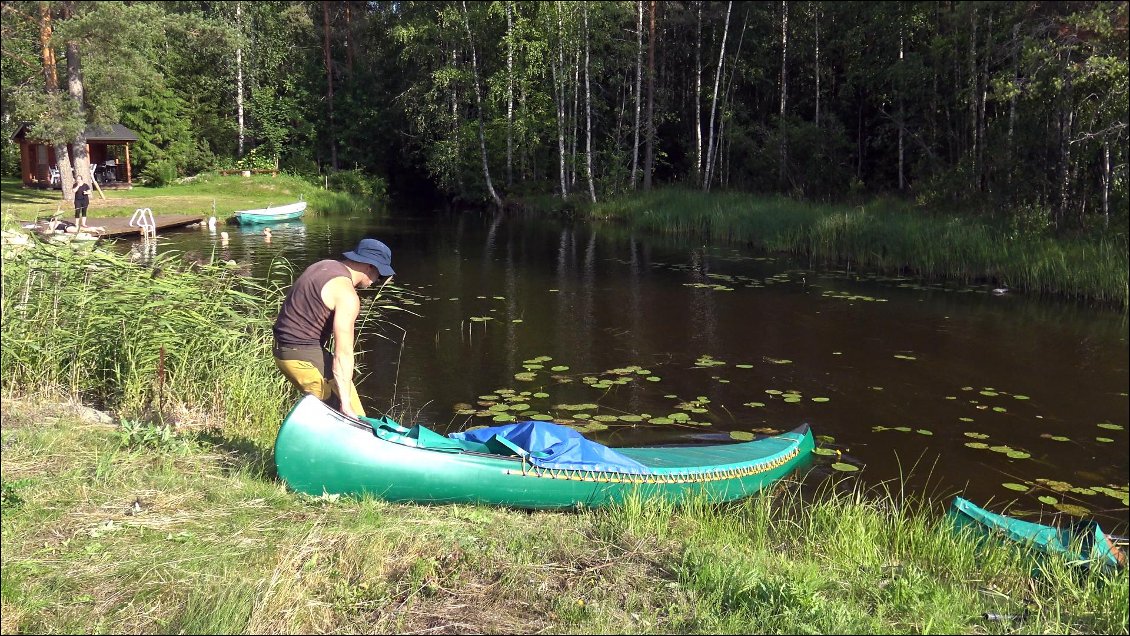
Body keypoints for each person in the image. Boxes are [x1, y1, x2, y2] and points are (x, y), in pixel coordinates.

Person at [272, 238, 395, 419]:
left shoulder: (324, 265)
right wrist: (344, 405)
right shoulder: (347, 295)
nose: (377, 281)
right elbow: (343, 354)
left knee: (357, 412)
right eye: (380, 275)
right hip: (300, 357)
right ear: (370, 266)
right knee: (344, 417)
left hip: (285, 349)